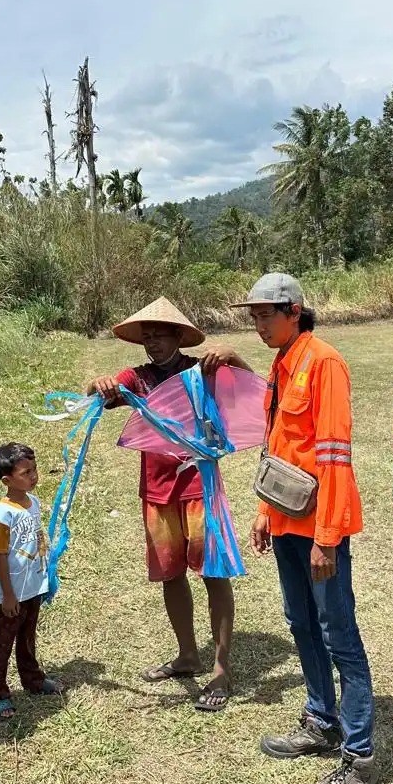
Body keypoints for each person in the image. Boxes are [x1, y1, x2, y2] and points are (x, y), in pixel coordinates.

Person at [234, 273, 377, 784]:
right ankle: (321, 718)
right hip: (288, 521)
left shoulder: (324, 362)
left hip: (319, 530)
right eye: (254, 315)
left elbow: (334, 454)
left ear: (293, 310)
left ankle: (358, 756)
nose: (257, 323)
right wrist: (266, 512)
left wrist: (328, 538)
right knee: (300, 623)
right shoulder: (281, 361)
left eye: (265, 314)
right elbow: (279, 447)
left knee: (338, 634)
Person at [87, 296, 249, 712]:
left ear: (179, 336)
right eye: (147, 337)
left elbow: (256, 391)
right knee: (170, 574)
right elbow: (96, 393)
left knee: (212, 573)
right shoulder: (138, 378)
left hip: (201, 487)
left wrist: (236, 357)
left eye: (161, 335)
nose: (153, 343)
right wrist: (101, 384)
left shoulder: (202, 370)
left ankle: (220, 667)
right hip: (157, 491)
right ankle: (187, 655)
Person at [0, 442, 62, 719]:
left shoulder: (34, 503)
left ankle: (33, 679)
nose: (33, 476)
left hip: (33, 588)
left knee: (28, 636)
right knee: (3, 642)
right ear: (7, 480)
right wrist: (8, 595)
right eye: (25, 472)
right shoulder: (3, 515)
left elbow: (38, 541)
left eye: (34, 469)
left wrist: (46, 576)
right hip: (13, 592)